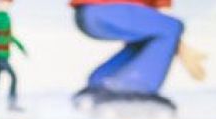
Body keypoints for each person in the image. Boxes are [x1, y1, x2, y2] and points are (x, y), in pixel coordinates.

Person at [70, 0, 207, 111]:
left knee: (151, 35)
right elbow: (162, 22)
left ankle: (102, 81)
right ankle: (134, 86)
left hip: (86, 13)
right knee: (172, 26)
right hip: (106, 9)